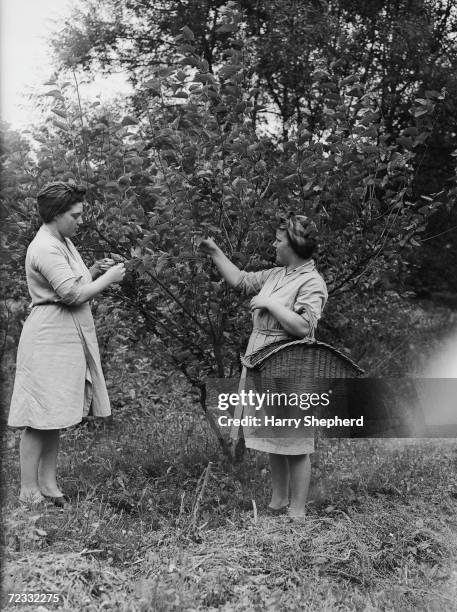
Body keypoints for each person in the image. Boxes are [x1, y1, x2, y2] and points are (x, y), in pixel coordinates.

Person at [199, 214, 328, 519]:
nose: (273, 243)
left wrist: (270, 304)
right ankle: (277, 502)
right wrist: (214, 250)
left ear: (293, 244)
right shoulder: (278, 274)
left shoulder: (312, 281)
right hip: (263, 359)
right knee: (273, 435)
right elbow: (241, 280)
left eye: (278, 239)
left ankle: (297, 512)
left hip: (290, 364)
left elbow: (304, 327)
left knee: (295, 439)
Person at [8, 181, 126, 507]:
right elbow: (72, 294)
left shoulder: (63, 240)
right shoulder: (44, 246)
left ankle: (48, 484)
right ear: (57, 214)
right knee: (37, 416)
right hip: (48, 337)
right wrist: (107, 279)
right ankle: (28, 489)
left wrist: (92, 271)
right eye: (74, 215)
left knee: (55, 412)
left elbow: (72, 281)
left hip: (64, 335)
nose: (79, 220)